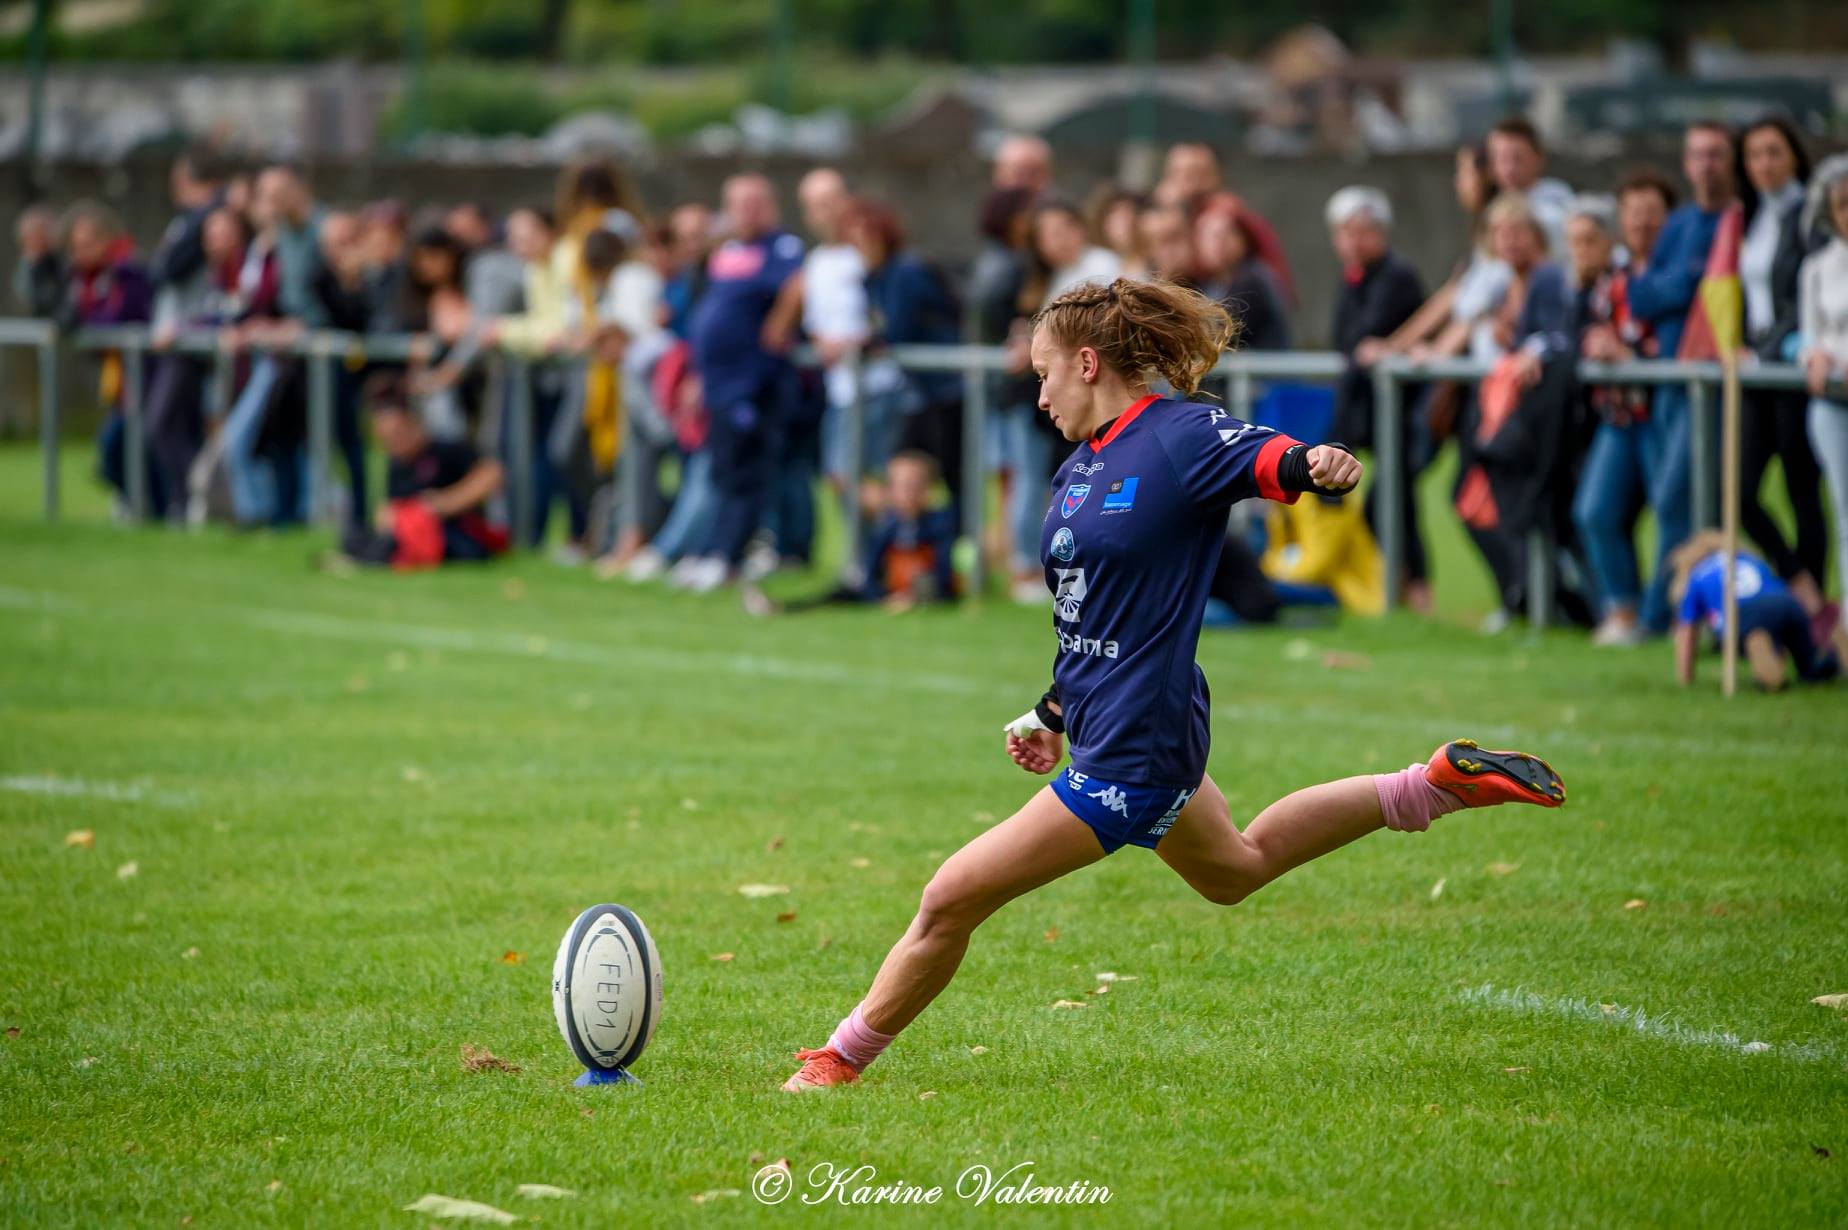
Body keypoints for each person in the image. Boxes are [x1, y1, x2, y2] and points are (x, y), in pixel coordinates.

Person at [779, 275, 1565, 1093]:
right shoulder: (1079, 467)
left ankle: (839, 1060)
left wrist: (1314, 463)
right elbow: (1095, 615)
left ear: (1087, 364)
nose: (1038, 394)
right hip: (1122, 721)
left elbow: (1267, 456)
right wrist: (1051, 712)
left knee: (949, 899)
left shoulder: (1179, 435)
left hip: (1135, 747)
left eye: (1044, 373)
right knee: (1238, 869)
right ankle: (1433, 784)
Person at [1628, 122, 1738, 634]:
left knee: (1679, 501)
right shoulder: (1678, 224)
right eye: (1697, 154)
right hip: (1670, 383)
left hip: (1711, 387)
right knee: (1671, 503)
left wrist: (1673, 285)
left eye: (1715, 154)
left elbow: (1691, 287)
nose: (1706, 164)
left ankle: (1660, 617)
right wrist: (1682, 283)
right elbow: (1642, 295)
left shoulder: (1737, 219)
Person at [677, 174, 805, 593]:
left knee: (744, 473)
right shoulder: (728, 252)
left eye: (755, 202)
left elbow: (798, 284)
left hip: (751, 382)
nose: (747, 211)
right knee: (721, 471)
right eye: (738, 203)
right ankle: (712, 549)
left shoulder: (782, 248)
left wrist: (780, 322)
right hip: (717, 381)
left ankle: (727, 555)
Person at [1571, 173, 1674, 646]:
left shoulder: (1673, 272)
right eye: (1632, 212)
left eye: (1651, 211)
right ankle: (1624, 610)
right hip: (1618, 415)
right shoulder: (1611, 278)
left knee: (1672, 514)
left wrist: (1630, 357)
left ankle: (1663, 618)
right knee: (1594, 511)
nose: (1641, 221)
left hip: (1664, 412)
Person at [1735, 116, 1828, 618]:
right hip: (1753, 369)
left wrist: (1766, 351)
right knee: (1739, 491)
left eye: (1773, 152)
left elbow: (1804, 300)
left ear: (1793, 156)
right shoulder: (1749, 217)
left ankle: (1819, 623)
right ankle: (1798, 585)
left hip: (1789, 366)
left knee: (1801, 491)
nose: (1764, 165)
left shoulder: (1808, 215)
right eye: (1754, 155)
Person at [1324, 186, 1430, 609]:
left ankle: (1416, 594)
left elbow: (1362, 335)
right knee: (1389, 505)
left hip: (1405, 414)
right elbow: (1346, 339)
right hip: (1373, 414)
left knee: (1394, 504)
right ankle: (1405, 594)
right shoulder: (1353, 278)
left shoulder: (1397, 276)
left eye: (1364, 231)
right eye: (1347, 232)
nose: (1354, 240)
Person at [849, 197, 964, 511]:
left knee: (952, 474)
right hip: (920, 390)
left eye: (866, 237)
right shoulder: (878, 276)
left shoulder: (905, 270)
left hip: (946, 388)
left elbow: (898, 328)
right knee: (905, 468)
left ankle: (954, 543)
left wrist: (867, 341)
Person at [334, 373, 508, 569]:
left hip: (455, 529)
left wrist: (446, 503)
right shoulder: (398, 463)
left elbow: (492, 473)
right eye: (385, 441)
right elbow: (393, 506)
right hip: (415, 530)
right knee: (354, 537)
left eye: (396, 436)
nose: (393, 445)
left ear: (414, 425)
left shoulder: (446, 450)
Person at [1670, 532, 1842, 691]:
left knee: (1754, 635)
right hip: (1786, 601)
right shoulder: (1748, 558)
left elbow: (1687, 632)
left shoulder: (1696, 576)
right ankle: (1834, 649)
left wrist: (1685, 677)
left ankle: (1764, 657)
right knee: (1810, 667)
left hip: (1743, 613)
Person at [1801, 155, 1848, 644]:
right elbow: (1809, 336)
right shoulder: (1818, 267)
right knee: (1844, 513)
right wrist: (1811, 356)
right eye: (1842, 204)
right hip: (1832, 402)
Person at [1194, 197, 1291, 351]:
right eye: (1210, 236)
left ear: (1244, 239)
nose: (1218, 243)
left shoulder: (1253, 279)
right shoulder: (1212, 282)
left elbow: (1220, 333)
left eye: (1227, 234)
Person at [1485, 116, 1574, 257]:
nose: (1509, 169)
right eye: (1501, 159)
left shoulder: (1555, 211)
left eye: (1517, 158)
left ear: (1539, 158)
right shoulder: (1494, 207)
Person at [13, 205, 65, 317]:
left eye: (37, 237)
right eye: (27, 239)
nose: (31, 244)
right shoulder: (28, 265)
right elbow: (28, 298)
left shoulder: (63, 262)